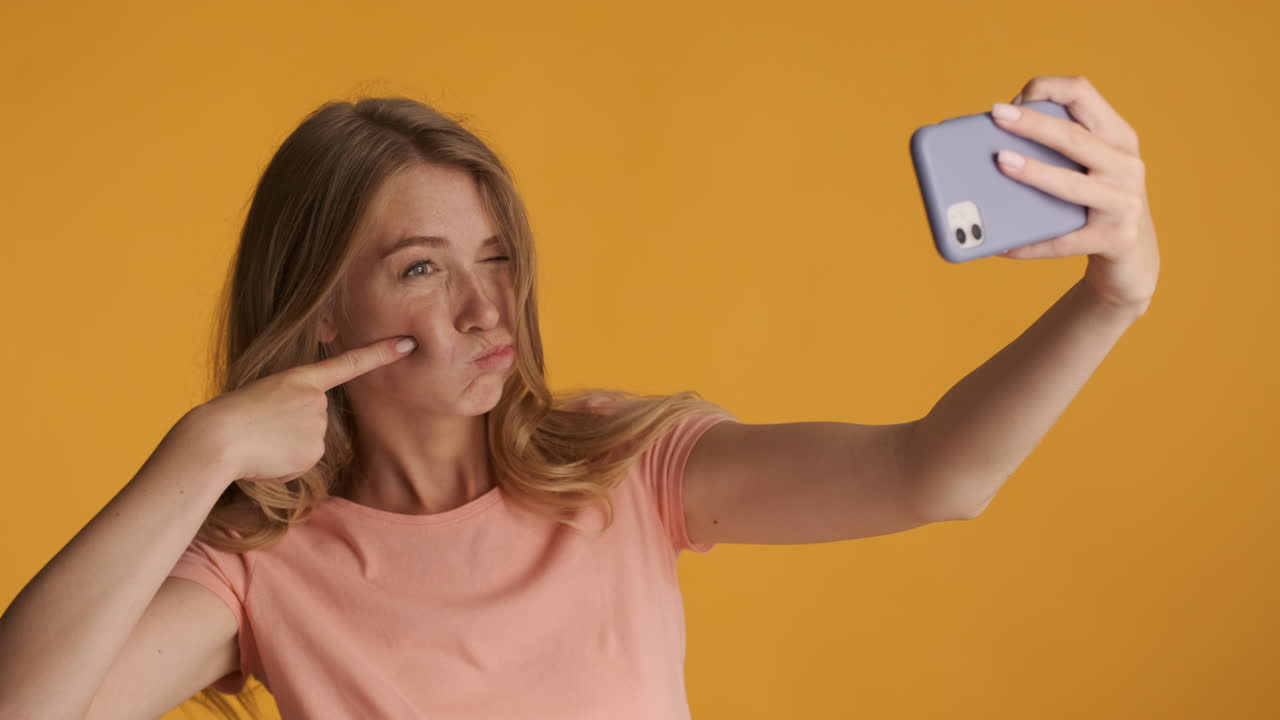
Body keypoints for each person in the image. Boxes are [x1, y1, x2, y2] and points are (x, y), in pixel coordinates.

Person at [0, 75, 1159, 719]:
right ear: (320, 313)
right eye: (421, 268)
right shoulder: (260, 571)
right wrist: (195, 454)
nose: (482, 306)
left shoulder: (622, 464)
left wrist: (1108, 296)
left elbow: (935, 475)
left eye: (495, 257)